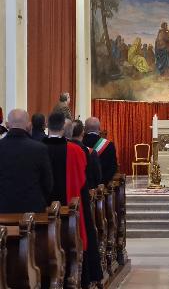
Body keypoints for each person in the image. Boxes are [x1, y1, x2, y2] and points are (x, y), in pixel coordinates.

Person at [43, 112, 103, 286]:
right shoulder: (76, 150)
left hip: (44, 212)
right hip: (72, 207)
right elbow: (82, 180)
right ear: (63, 128)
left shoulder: (38, 148)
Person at [0, 109, 53, 213]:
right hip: (32, 210)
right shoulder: (39, 148)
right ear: (29, 125)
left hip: (2, 209)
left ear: (7, 124)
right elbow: (48, 183)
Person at [83, 117, 118, 184]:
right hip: (102, 186)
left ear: (85, 129)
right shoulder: (109, 145)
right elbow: (113, 167)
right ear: (99, 129)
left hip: (83, 186)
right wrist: (103, 182)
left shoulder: (79, 144)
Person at [72, 119, 102, 189]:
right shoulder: (90, 152)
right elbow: (97, 176)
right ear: (82, 132)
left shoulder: (64, 149)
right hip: (87, 190)